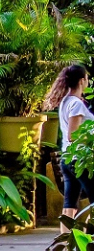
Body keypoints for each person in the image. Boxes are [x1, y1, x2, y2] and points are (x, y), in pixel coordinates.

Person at [42, 64, 93, 233]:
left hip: (68, 158)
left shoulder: (66, 101)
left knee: (69, 205)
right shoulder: (76, 104)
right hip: (80, 160)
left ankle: (65, 245)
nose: (88, 82)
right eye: (87, 79)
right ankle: (89, 241)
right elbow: (73, 134)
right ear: (81, 81)